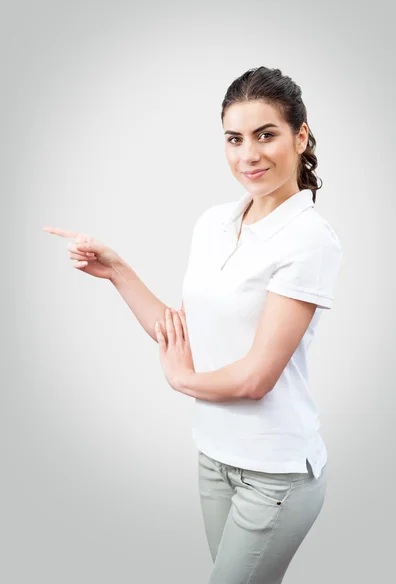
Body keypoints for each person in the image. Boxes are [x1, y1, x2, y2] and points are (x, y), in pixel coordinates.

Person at [43, 66, 343, 583]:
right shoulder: (213, 223)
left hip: (275, 473)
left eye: (265, 135)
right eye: (234, 139)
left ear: (301, 135)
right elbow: (182, 334)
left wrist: (182, 381)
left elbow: (255, 378)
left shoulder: (309, 240)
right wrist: (118, 271)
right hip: (214, 457)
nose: (248, 154)